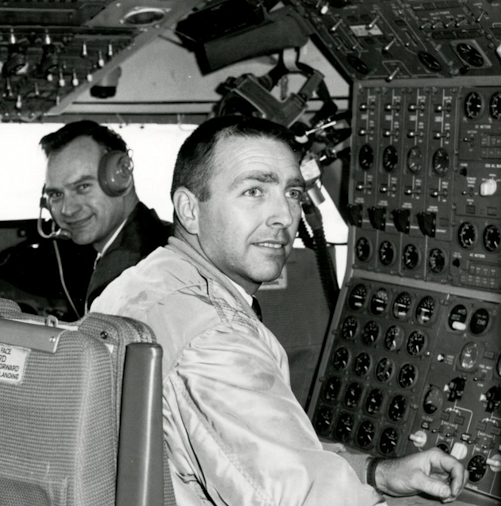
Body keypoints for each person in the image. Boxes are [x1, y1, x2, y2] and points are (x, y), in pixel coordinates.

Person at [91, 115, 467, 505]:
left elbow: (265, 461)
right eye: (254, 191)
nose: (286, 217)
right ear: (189, 210)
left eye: (292, 194)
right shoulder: (212, 336)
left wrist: (375, 472)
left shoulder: (143, 281)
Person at [39, 120, 171, 312]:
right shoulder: (158, 232)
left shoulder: (125, 270)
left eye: (82, 187)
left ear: (121, 177)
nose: (67, 210)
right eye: (56, 195)